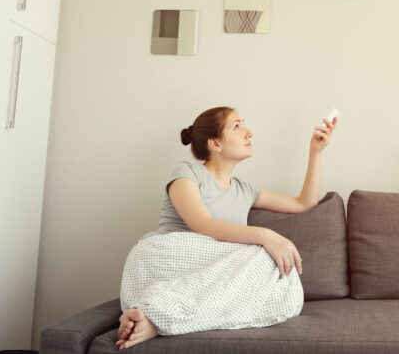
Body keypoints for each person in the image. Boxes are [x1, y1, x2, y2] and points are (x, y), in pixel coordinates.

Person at [115, 106, 337, 350]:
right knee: (264, 255)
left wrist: (316, 152)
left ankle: (155, 319)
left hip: (210, 275)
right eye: (237, 126)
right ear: (215, 144)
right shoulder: (187, 173)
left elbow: (303, 203)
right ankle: (157, 311)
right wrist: (266, 236)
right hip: (166, 261)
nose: (248, 132)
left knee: (287, 285)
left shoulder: (245, 190)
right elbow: (203, 225)